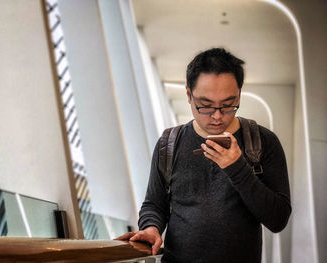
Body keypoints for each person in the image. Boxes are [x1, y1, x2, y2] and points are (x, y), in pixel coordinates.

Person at [117, 48, 291, 263]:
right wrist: (151, 229)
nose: (217, 116)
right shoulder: (169, 143)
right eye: (206, 106)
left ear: (239, 93)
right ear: (189, 95)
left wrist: (237, 168)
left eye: (228, 105)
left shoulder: (262, 141)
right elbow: (155, 203)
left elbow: (278, 219)